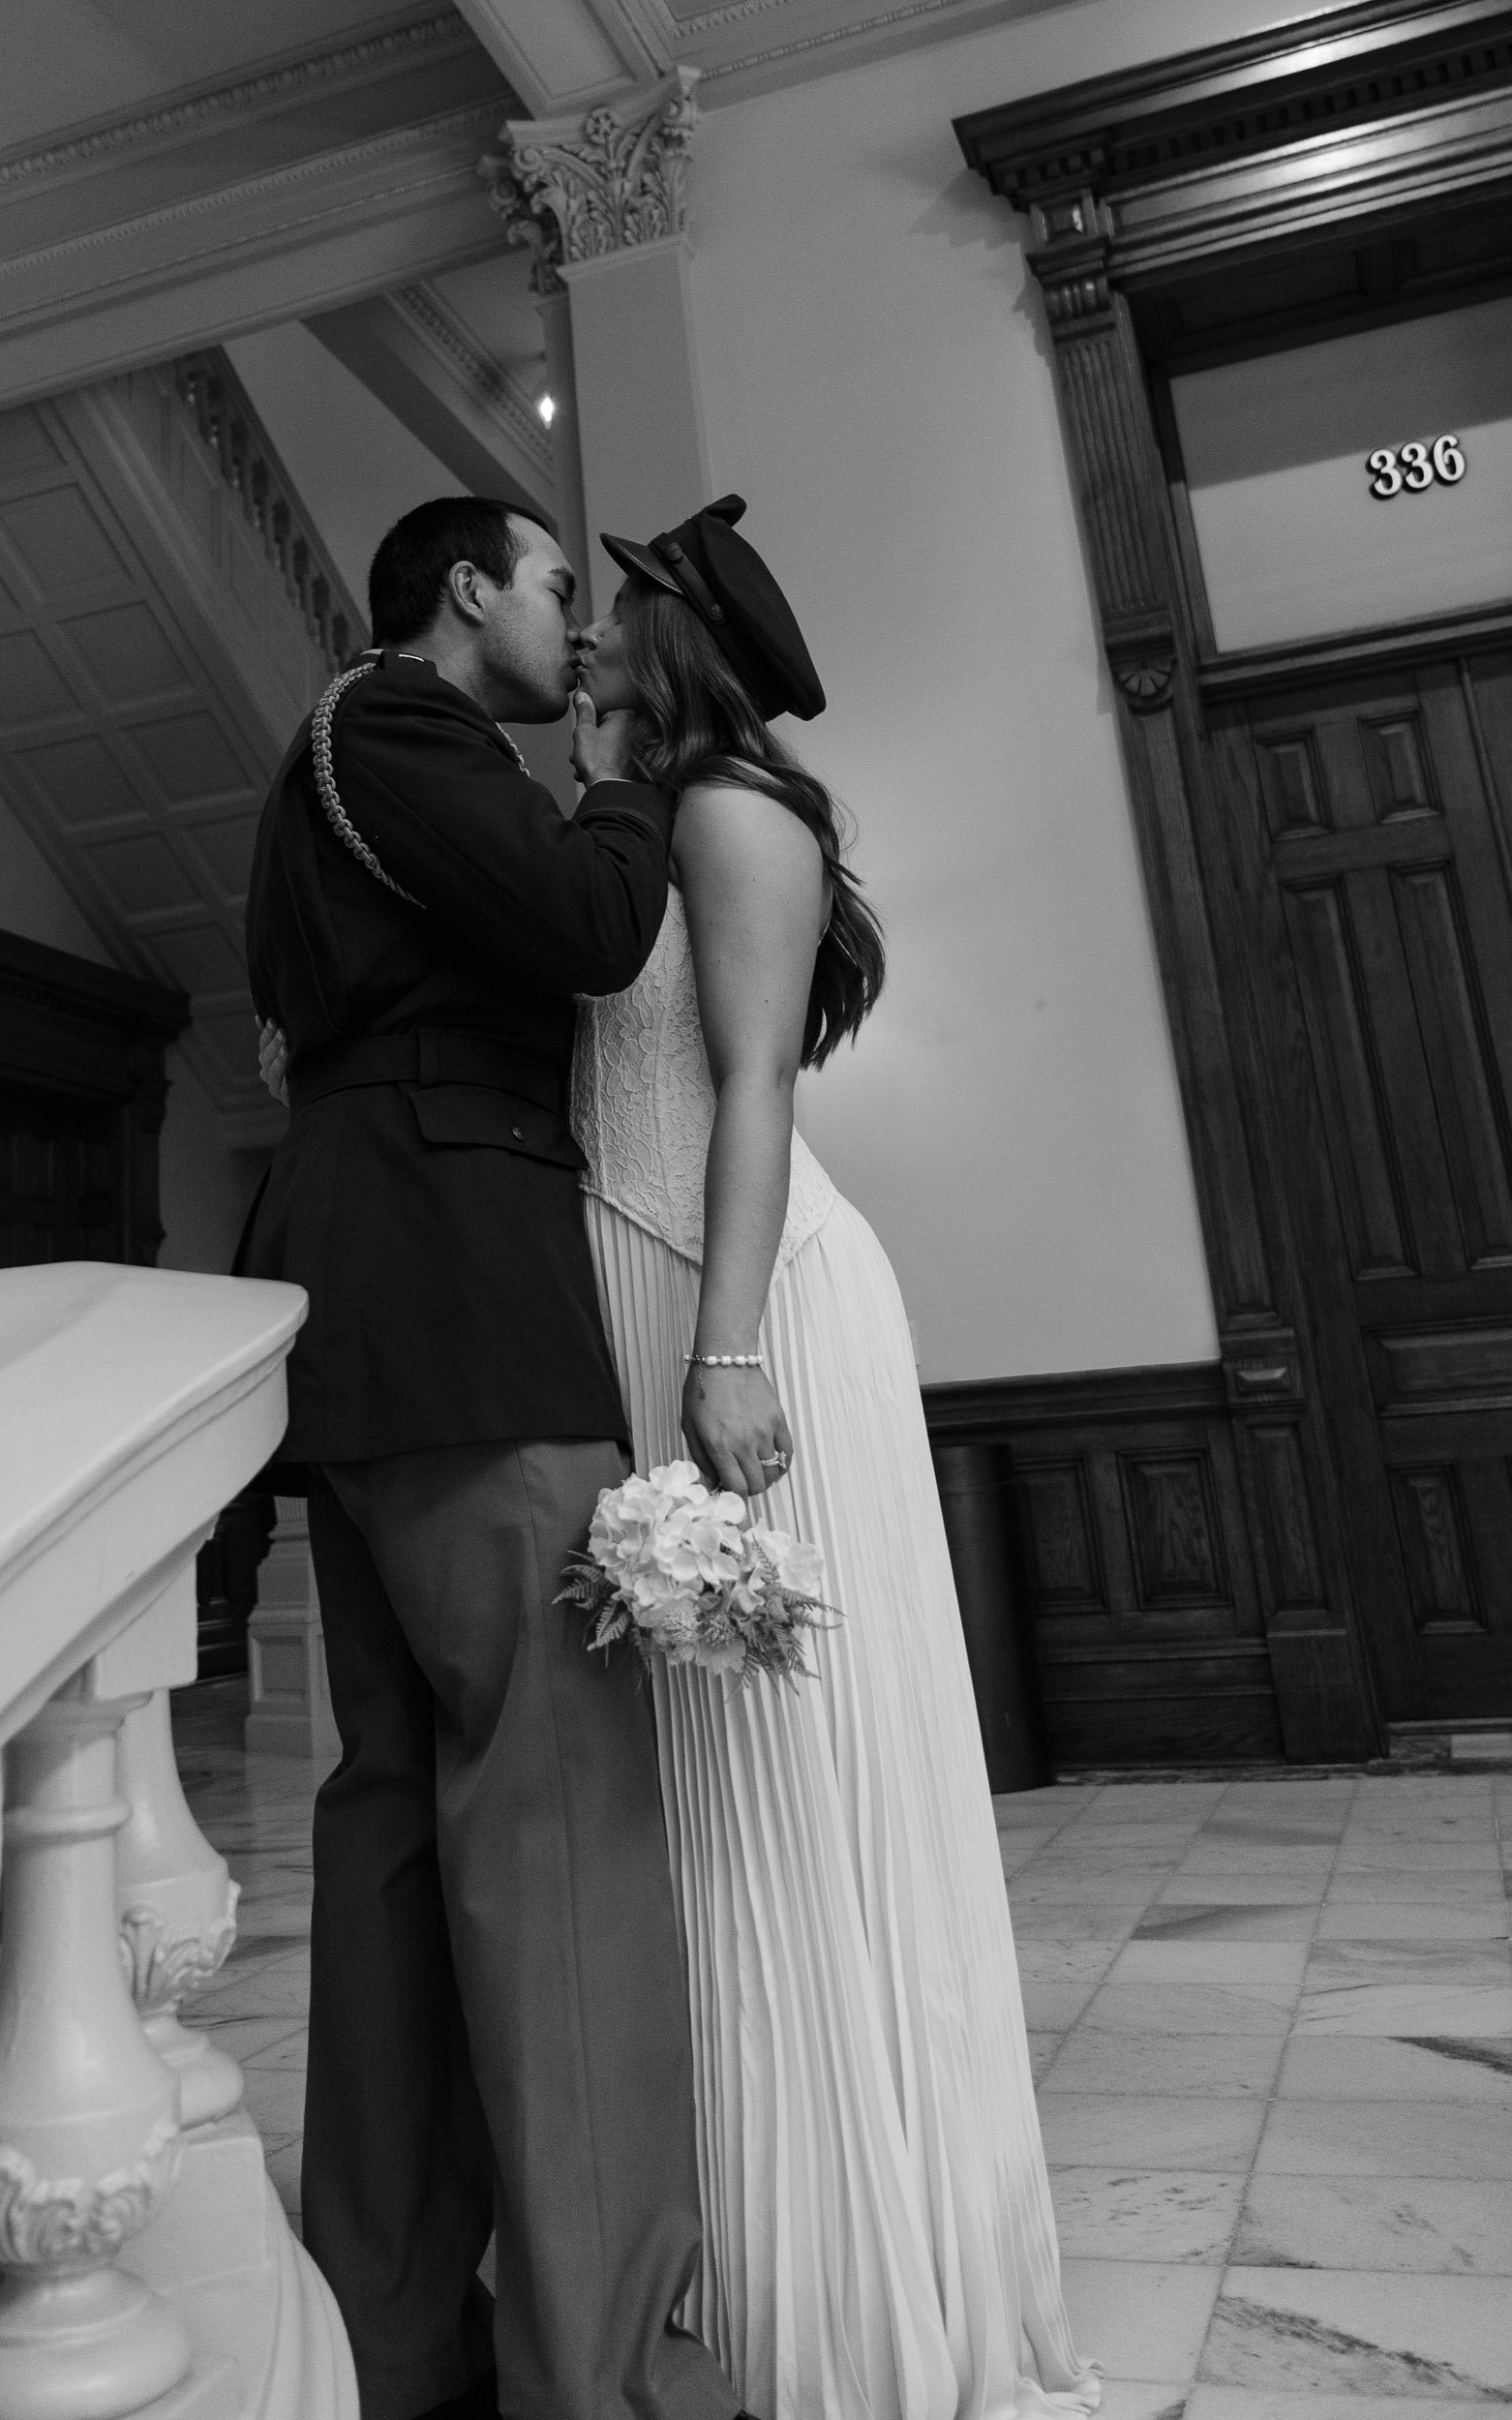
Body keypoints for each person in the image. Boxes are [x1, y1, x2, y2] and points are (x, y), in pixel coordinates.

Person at [569, 496, 1099, 2420]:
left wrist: (720, 1351)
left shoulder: (731, 814)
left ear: (673, 638)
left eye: (613, 604)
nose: (589, 623)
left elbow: (750, 1081)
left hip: (739, 1299)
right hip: (651, 1280)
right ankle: (728, 2232)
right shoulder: (647, 809)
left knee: (768, 1770)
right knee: (705, 1783)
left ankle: (838, 2283)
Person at [235, 496, 743, 2420]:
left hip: (372, 1316)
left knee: (386, 1847)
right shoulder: (397, 723)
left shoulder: (328, 759)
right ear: (466, 591)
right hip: (460, 1305)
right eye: (550, 587)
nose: (570, 627)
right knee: (558, 1836)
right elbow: (593, 926)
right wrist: (618, 777)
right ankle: (607, 2376)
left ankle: (393, 2341)